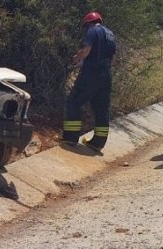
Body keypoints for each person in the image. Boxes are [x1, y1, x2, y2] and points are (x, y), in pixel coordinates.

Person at [62, 11, 117, 152]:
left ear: (88, 23)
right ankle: (98, 143)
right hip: (106, 75)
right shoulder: (110, 34)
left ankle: (70, 138)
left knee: (74, 101)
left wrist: (75, 59)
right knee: (102, 108)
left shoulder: (93, 31)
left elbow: (86, 50)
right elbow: (113, 59)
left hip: (91, 72)